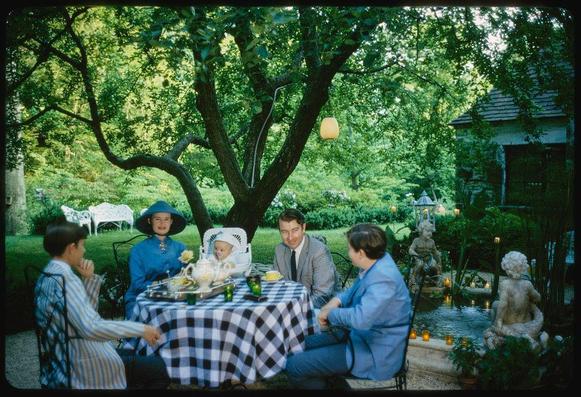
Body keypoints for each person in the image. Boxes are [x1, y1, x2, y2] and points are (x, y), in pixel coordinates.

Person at [36, 221, 170, 389]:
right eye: (82, 246)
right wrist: (141, 329)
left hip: (65, 356)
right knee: (161, 369)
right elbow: (91, 327)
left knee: (139, 356)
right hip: (81, 363)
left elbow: (83, 315)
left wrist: (88, 279)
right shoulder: (67, 280)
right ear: (72, 247)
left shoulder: (49, 274)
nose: (84, 251)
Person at [285, 223, 411, 389]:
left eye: (350, 249)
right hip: (358, 336)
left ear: (361, 253)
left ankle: (330, 383)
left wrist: (329, 314)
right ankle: (335, 384)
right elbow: (353, 290)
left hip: (374, 352)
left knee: (294, 365)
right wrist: (335, 301)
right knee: (294, 344)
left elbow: (361, 319)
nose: (348, 253)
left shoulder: (383, 279)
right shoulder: (378, 260)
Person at [124, 200, 187, 318]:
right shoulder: (138, 250)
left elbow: (186, 277)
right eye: (157, 219)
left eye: (166, 219)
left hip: (174, 296)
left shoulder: (181, 248)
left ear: (171, 221)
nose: (162, 223)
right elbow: (137, 285)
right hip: (142, 298)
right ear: (150, 221)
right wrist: (164, 284)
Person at [273, 208, 339, 308]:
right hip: (288, 308)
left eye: (294, 230)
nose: (290, 238)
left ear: (303, 227)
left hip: (321, 310)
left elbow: (322, 296)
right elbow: (276, 285)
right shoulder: (279, 250)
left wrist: (294, 310)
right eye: (284, 232)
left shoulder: (319, 251)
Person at [484, 251, 546, 350]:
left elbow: (503, 304)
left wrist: (498, 321)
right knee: (528, 304)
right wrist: (529, 299)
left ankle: (509, 338)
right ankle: (528, 339)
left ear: (507, 267)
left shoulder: (505, 284)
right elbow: (538, 298)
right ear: (523, 267)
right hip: (526, 325)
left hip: (510, 325)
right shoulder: (527, 284)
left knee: (495, 305)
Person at [408, 220, 442, 288]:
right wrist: (416, 255)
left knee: (435, 266)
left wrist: (439, 260)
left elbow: (435, 252)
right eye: (427, 231)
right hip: (419, 258)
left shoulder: (432, 242)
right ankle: (413, 279)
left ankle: (437, 280)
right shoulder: (416, 241)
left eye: (431, 231)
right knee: (420, 264)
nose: (430, 233)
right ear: (421, 231)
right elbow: (410, 250)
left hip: (428, 258)